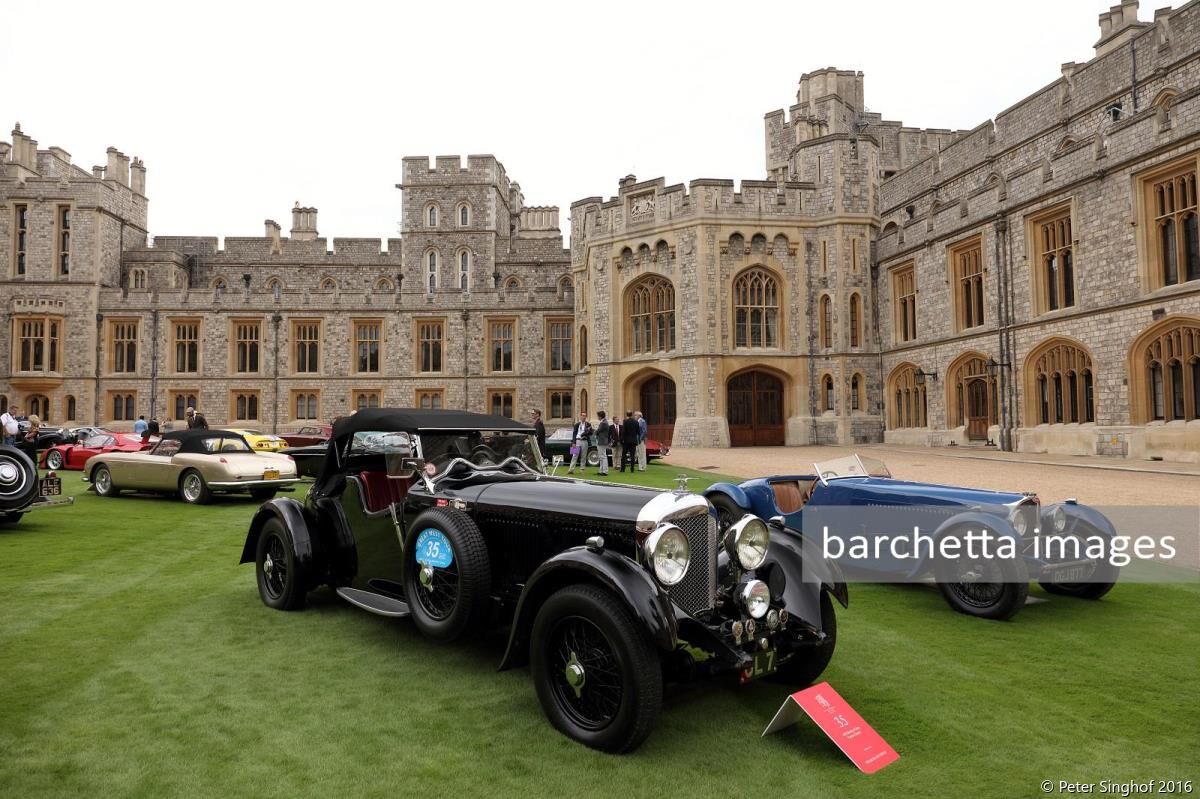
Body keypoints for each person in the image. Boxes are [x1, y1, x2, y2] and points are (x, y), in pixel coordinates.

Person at [594, 411, 611, 476]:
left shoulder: (603, 423)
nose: (597, 417)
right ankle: (601, 470)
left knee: (603, 456)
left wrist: (594, 431)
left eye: (598, 416)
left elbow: (598, 431)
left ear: (600, 416)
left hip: (602, 441)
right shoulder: (604, 422)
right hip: (602, 440)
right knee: (601, 456)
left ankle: (605, 471)